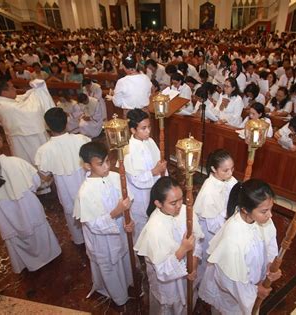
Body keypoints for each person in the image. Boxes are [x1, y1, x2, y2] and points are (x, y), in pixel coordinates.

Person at [0, 127, 61, 273]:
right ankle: (48, 255)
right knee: (38, 232)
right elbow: (35, 183)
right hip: (28, 208)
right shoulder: (16, 163)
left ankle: (26, 263)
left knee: (16, 237)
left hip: (5, 216)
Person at [198, 179, 281, 314]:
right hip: (234, 296)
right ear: (245, 210)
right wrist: (254, 291)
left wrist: (270, 265)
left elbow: (270, 242)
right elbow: (227, 279)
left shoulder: (262, 219)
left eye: (271, 209)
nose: (270, 215)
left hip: (254, 283)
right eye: (264, 211)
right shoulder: (233, 238)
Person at [73, 141, 134, 306]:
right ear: (87, 166)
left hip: (119, 229)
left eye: (107, 161)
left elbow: (127, 201)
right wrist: (116, 211)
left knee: (124, 258)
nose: (107, 166)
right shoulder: (85, 192)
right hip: (102, 239)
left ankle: (128, 283)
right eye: (101, 164)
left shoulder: (114, 177)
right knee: (110, 266)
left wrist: (129, 220)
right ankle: (119, 297)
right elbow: (94, 224)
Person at [134, 177, 204, 314]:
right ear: (158, 203)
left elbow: (197, 240)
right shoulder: (153, 229)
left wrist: (194, 266)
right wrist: (183, 249)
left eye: (181, 199)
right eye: (173, 203)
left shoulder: (185, 211)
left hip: (188, 274)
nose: (179, 205)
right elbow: (162, 270)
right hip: (169, 285)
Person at [35, 108, 90, 245]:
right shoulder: (82, 139)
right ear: (66, 122)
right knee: (90, 211)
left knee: (71, 213)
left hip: (65, 189)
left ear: (47, 126)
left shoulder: (44, 150)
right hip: (86, 185)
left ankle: (78, 239)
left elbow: (45, 177)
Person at [0, 77, 55, 165]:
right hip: (25, 139)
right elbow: (31, 111)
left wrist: (35, 91)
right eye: (12, 87)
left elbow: (23, 98)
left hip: (28, 136)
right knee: (32, 162)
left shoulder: (2, 100)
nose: (15, 89)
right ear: (4, 92)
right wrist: (37, 93)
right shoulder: (2, 106)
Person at [124, 109, 166, 241]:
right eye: (143, 128)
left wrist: (161, 173)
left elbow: (159, 161)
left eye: (149, 127)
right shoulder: (129, 149)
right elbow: (134, 178)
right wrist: (153, 172)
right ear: (133, 130)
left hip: (154, 188)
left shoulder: (150, 141)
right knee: (141, 222)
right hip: (140, 194)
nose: (148, 131)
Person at [194, 149, 237, 279]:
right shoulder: (208, 192)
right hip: (210, 232)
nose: (230, 173)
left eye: (232, 168)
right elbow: (213, 225)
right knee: (208, 260)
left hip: (225, 221)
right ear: (214, 168)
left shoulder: (228, 178)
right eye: (225, 170)